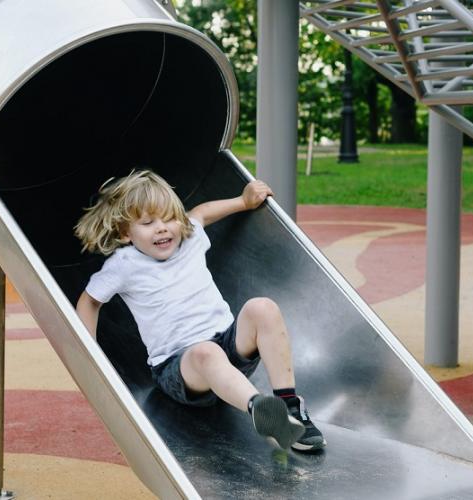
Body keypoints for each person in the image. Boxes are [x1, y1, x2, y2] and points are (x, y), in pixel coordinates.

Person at [74, 169, 325, 452]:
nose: (162, 228)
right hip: (180, 369)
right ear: (125, 234)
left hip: (229, 349)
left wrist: (243, 201)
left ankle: (289, 406)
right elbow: (90, 301)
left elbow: (201, 213)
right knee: (206, 352)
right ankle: (262, 411)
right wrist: (88, 351)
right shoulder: (124, 264)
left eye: (169, 218)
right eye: (148, 222)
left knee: (262, 308)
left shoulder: (190, 236)